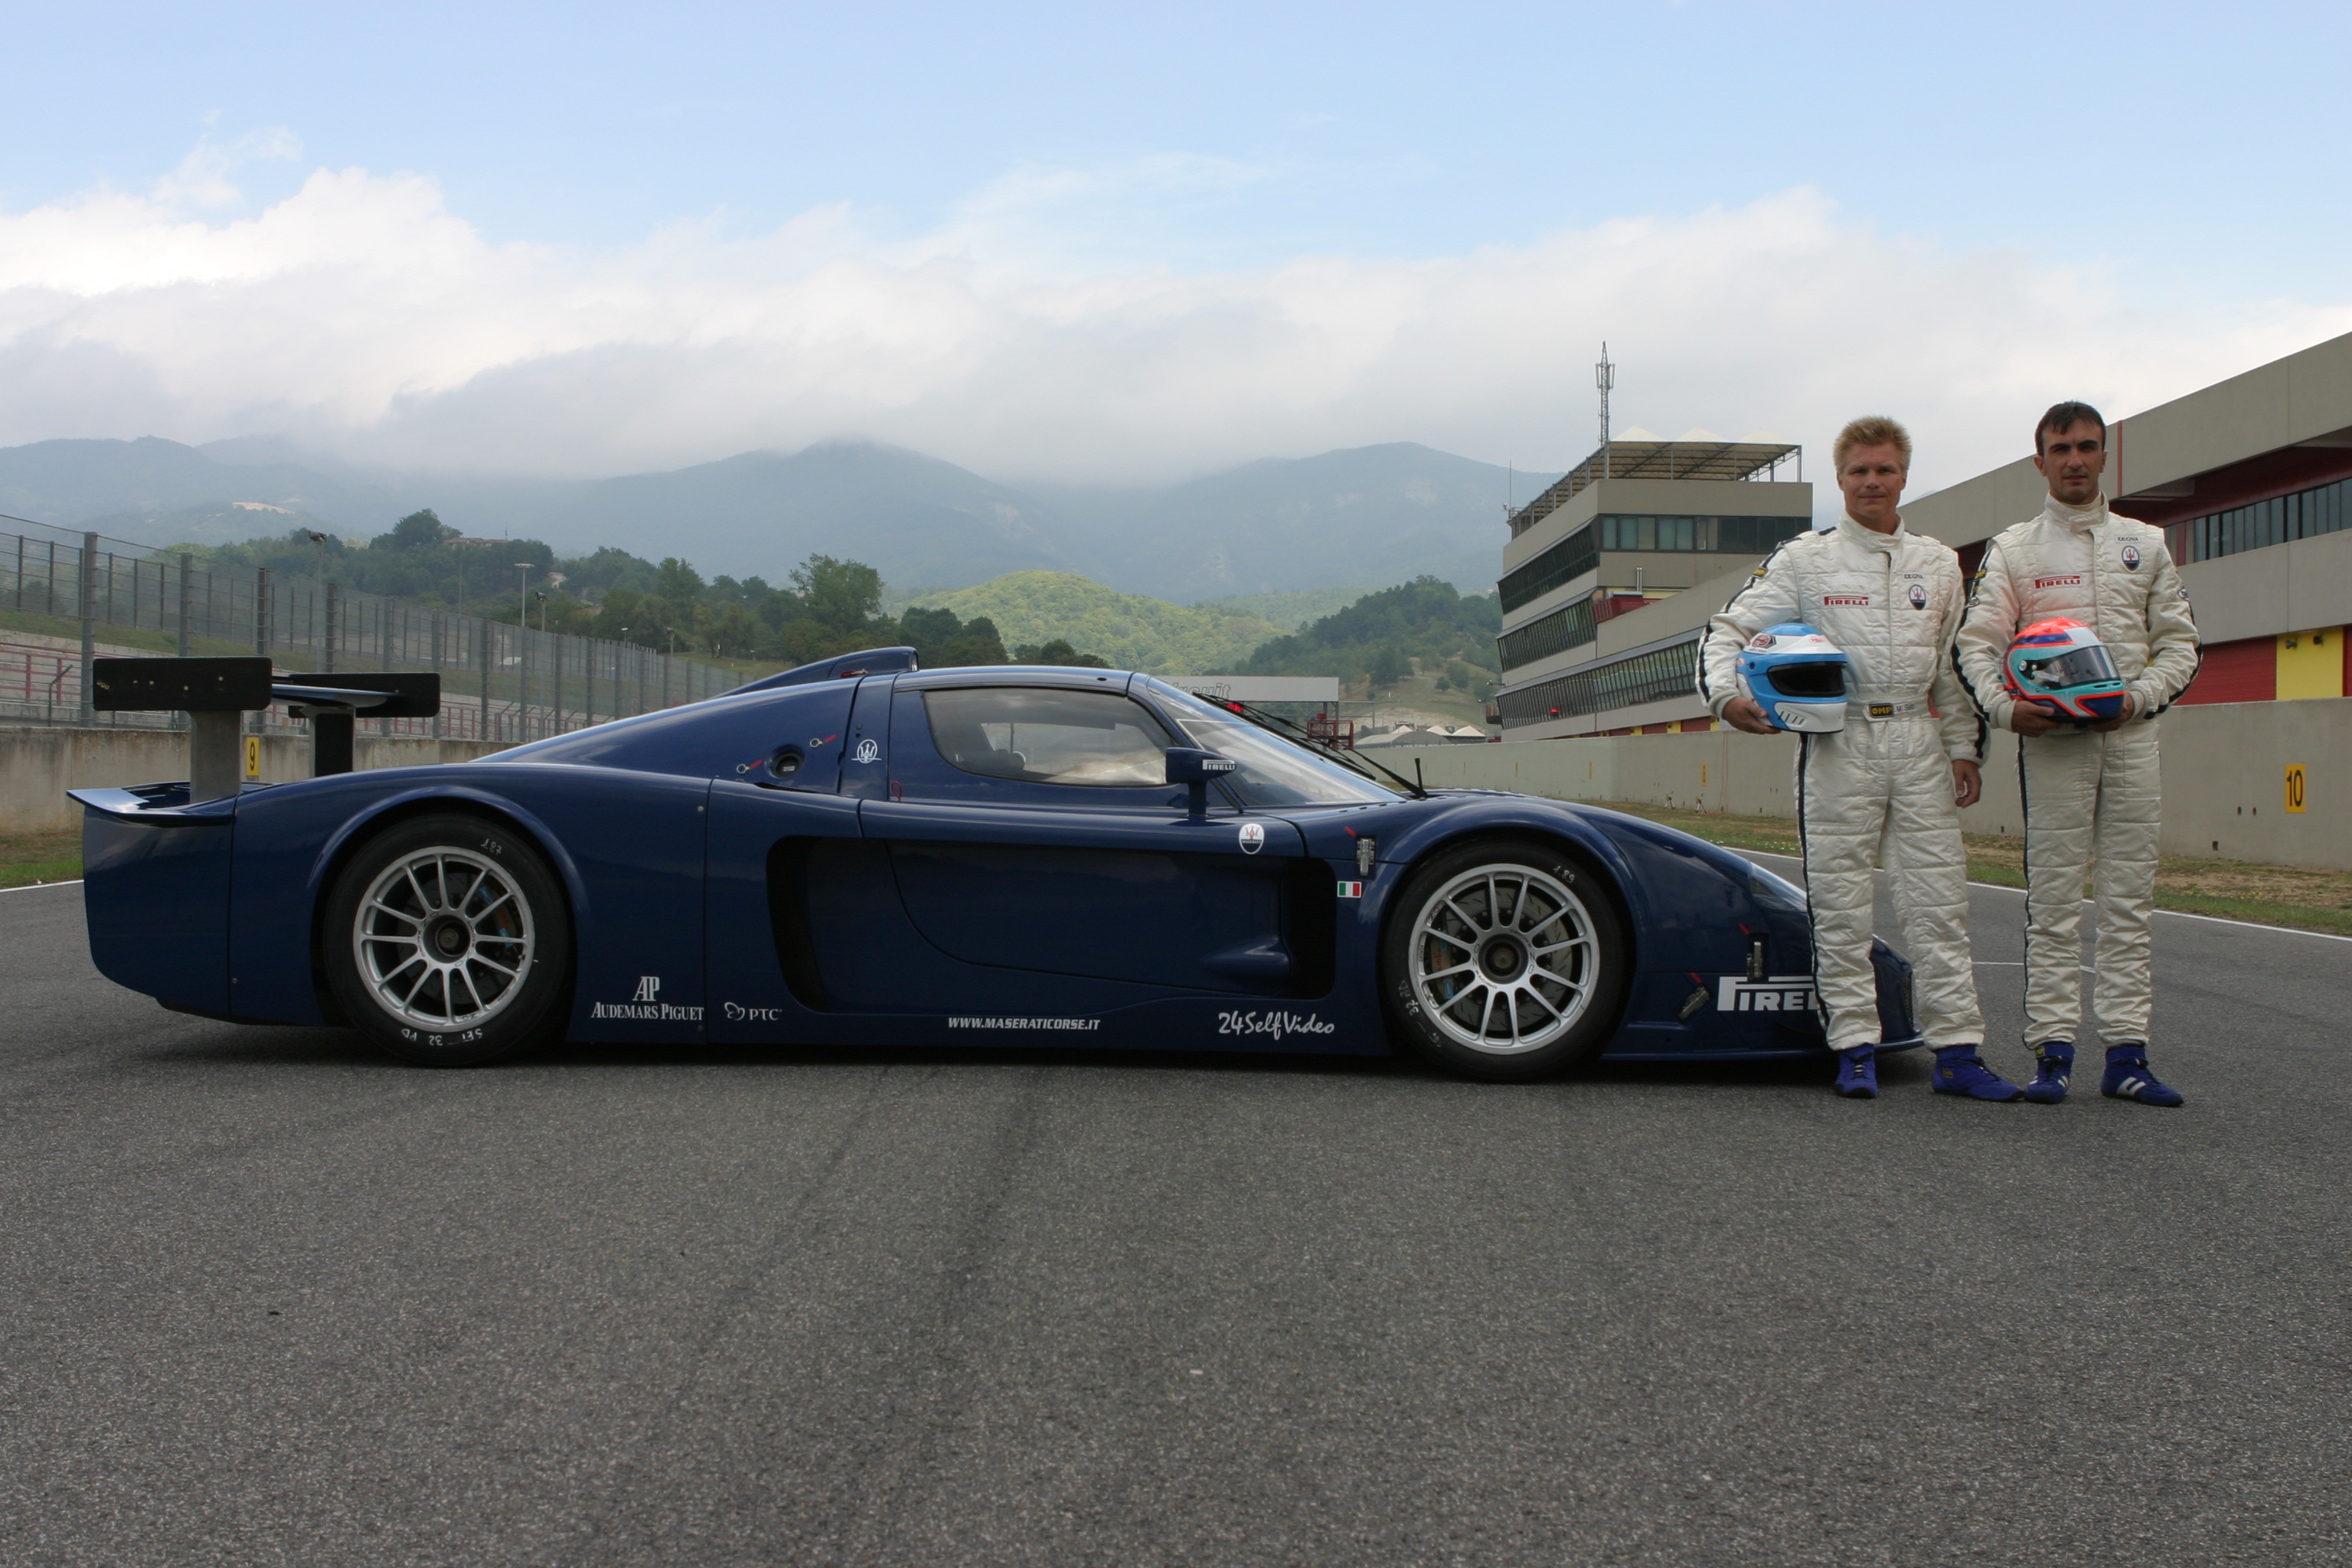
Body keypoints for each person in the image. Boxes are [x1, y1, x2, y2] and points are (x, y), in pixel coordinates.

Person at [1701, 416, 2011, 1101]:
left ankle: (1957, 1051)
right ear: (1841, 479)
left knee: (1939, 901)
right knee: (1841, 904)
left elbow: (1953, 671)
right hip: (1838, 743)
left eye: (1886, 470)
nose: (1873, 482)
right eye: (1859, 471)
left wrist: (1963, 749)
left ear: (1904, 475)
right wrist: (1727, 698)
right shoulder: (1804, 560)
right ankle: (1854, 1046)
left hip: (1918, 741)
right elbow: (1729, 629)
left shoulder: (1936, 562)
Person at [1953, 402, 2201, 1106]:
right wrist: (2006, 709)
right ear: (2040, 461)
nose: (2074, 460)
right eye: (2060, 449)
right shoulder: (2015, 549)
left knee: (2128, 903)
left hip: (2129, 740)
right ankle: (2052, 1055)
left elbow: (2182, 645)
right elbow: (1976, 643)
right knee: (2053, 904)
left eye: (2087, 447)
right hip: (2053, 748)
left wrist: (2138, 698)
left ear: (2103, 456)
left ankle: (2127, 1057)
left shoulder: (2145, 544)